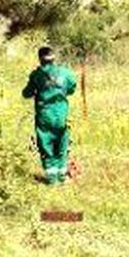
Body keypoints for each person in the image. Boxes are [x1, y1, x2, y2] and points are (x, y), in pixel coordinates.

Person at [22, 46, 77, 184]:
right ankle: (62, 175)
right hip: (61, 114)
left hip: (44, 115)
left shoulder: (36, 75)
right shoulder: (65, 73)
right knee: (61, 143)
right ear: (54, 58)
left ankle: (52, 177)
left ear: (40, 59)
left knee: (46, 143)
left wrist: (37, 91)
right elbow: (72, 88)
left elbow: (26, 93)